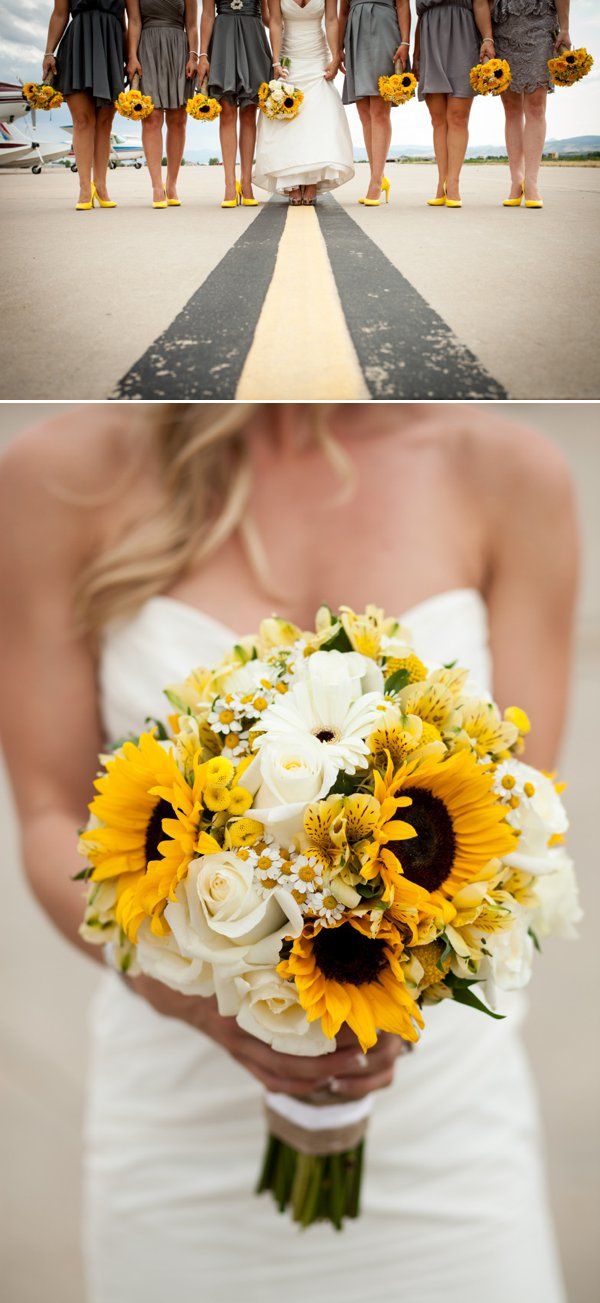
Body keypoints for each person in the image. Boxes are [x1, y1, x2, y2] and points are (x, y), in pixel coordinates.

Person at [0, 404, 575, 1303]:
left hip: (443, 1125)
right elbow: (46, 810)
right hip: (180, 1126)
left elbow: (520, 817)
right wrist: (188, 996)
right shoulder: (55, 475)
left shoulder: (509, 472)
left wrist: (409, 964)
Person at [253, 0, 354, 205]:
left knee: (316, 118)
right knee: (289, 121)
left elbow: (332, 20)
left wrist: (335, 58)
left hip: (317, 56)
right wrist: (275, 61)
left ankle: (311, 182)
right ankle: (292, 181)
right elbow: (274, 22)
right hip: (289, 57)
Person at [43, 0, 126, 210]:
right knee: (82, 120)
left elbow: (128, 19)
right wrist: (48, 52)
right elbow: (60, 13)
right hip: (78, 42)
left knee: (106, 121)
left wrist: (129, 56)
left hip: (111, 43)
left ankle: (101, 186)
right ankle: (84, 188)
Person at [414, 0, 494, 207]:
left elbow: (481, 3)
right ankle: (441, 183)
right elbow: (420, 15)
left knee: (458, 117)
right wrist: (416, 55)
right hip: (429, 37)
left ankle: (454, 184)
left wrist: (488, 38)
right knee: (438, 119)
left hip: (463, 34)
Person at [492, 0, 572, 209]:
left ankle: (531, 181)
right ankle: (516, 180)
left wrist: (565, 28)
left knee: (536, 106)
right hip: (503, 24)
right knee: (511, 110)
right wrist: (486, 37)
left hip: (540, 21)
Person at [198, 0, 272, 206]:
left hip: (253, 35)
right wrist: (203, 55)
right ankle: (230, 184)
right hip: (223, 37)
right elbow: (207, 13)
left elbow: (268, 16)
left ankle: (246, 182)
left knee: (249, 111)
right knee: (227, 111)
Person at [126, 0, 199, 208]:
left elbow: (192, 25)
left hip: (178, 47)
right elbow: (134, 21)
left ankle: (172, 184)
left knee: (178, 118)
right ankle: (157, 186)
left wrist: (193, 56)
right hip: (147, 47)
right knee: (152, 117)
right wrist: (132, 56)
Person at [340, 0, 410, 205]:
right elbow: (342, 12)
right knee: (364, 112)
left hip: (384, 28)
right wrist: (338, 48)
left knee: (379, 109)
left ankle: (376, 182)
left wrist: (405, 42)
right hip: (355, 34)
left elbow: (403, 5)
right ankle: (377, 176)